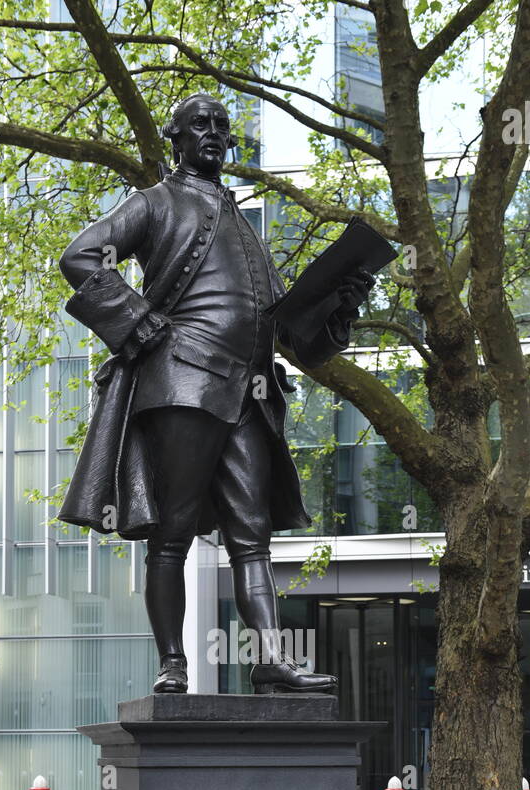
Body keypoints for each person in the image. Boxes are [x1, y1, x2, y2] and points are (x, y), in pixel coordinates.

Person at [58, 92, 373, 694]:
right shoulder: (154, 202)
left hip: (248, 394)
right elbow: (80, 256)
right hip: (183, 380)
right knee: (172, 531)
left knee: (252, 537)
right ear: (175, 138)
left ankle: (269, 660)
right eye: (198, 124)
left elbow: (290, 331)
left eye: (221, 126)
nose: (212, 133)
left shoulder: (241, 221)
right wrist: (135, 317)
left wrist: (343, 298)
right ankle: (173, 663)